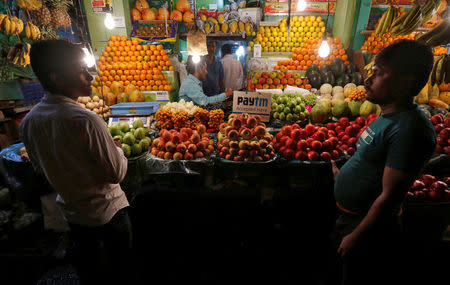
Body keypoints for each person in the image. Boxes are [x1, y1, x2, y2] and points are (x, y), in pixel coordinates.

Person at [20, 40, 135, 285]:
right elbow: (116, 173)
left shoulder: (30, 121)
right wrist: (118, 151)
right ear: (57, 78)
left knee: (90, 274)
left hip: (73, 217)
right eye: (80, 71)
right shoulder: (86, 120)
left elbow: (41, 169)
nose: (89, 77)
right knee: (121, 273)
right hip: (108, 215)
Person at [330, 40, 436, 285]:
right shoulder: (388, 115)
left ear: (405, 81)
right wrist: (342, 175)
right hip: (350, 218)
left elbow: (390, 198)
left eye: (379, 74)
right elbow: (371, 160)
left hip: (370, 234)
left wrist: (356, 236)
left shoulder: (410, 129)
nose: (368, 80)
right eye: (371, 73)